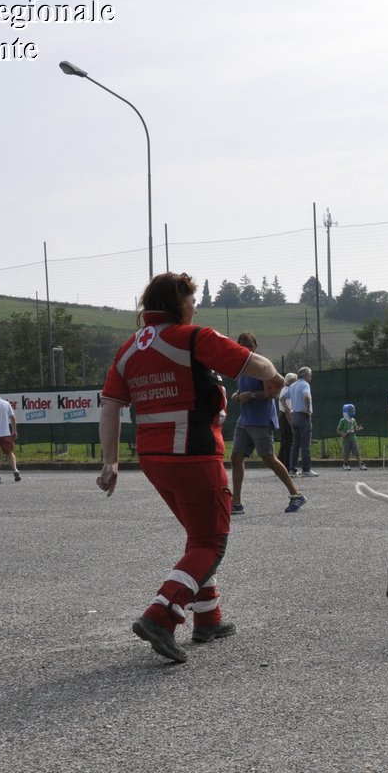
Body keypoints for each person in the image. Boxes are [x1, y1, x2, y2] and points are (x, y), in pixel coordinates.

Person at [97, 272, 286, 663]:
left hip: (153, 460)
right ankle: (161, 614)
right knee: (211, 542)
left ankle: (208, 618)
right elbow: (258, 365)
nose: (195, 306)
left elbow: (111, 406)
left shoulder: (128, 350)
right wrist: (275, 376)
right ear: (177, 302)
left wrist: (110, 460)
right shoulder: (193, 338)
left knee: (198, 535)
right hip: (195, 454)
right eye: (191, 299)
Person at [228, 333, 305, 515]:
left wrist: (251, 396)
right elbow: (242, 389)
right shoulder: (241, 367)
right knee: (235, 458)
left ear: (255, 346)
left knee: (268, 458)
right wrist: (237, 395)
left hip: (261, 420)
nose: (246, 348)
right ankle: (236, 503)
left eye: (249, 345)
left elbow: (272, 392)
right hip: (244, 419)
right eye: (242, 345)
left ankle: (296, 494)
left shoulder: (262, 366)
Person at [287, 366, 315, 476]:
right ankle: (306, 470)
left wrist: (289, 410)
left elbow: (282, 397)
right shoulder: (305, 384)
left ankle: (292, 469)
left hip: (295, 416)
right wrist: (308, 410)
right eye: (310, 375)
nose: (311, 378)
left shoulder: (292, 385)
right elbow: (307, 396)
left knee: (295, 444)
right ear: (306, 375)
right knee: (305, 444)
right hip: (304, 416)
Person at [337, 402, 367, 472]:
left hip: (353, 438)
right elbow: (338, 430)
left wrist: (358, 428)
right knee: (346, 453)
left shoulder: (353, 420)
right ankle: (345, 464)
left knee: (357, 452)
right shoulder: (342, 420)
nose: (352, 412)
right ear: (345, 411)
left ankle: (361, 464)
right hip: (346, 439)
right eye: (350, 411)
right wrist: (343, 434)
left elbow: (355, 428)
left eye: (353, 410)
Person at [276, 372, 297, 473]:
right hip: (286, 417)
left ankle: (279, 467)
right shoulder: (287, 391)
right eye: (295, 380)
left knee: (284, 443)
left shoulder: (284, 389)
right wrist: (291, 424)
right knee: (289, 443)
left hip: (282, 417)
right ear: (290, 381)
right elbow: (288, 410)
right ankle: (287, 467)